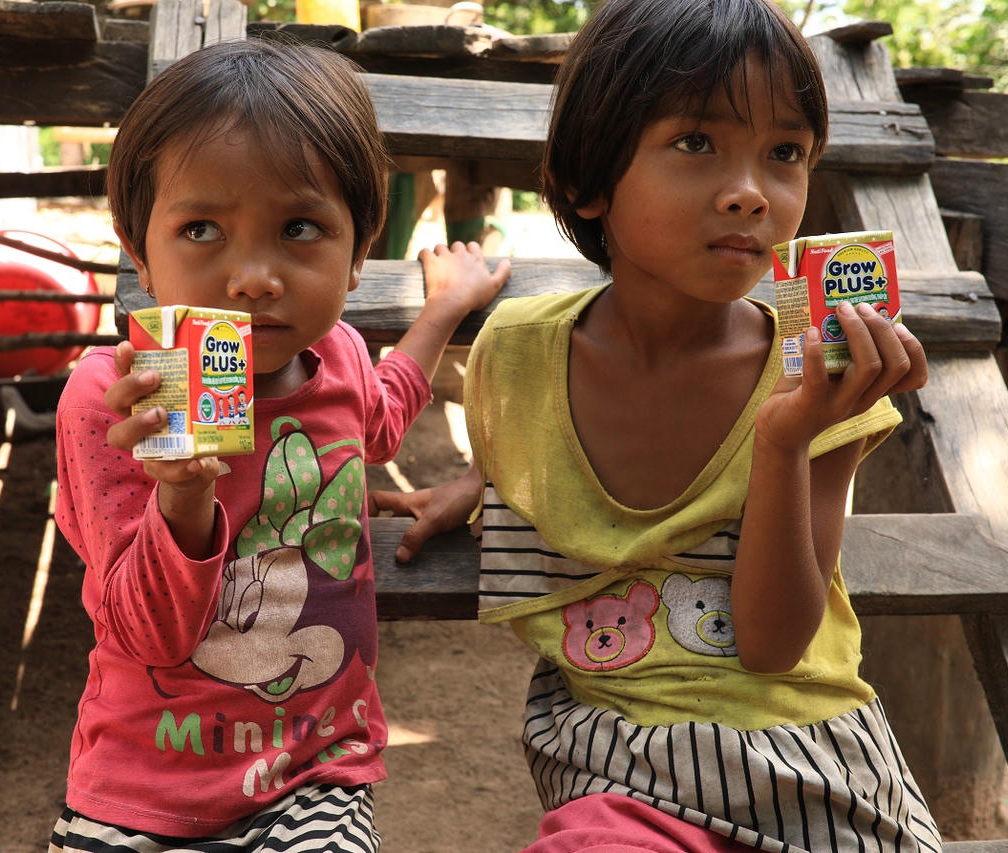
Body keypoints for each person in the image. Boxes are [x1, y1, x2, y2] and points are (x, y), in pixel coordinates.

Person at [369, 0, 941, 850]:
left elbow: (773, 645)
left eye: (785, 153)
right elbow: (534, 445)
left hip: (814, 761)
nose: (751, 191)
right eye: (697, 142)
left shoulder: (813, 375)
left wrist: (785, 439)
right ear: (586, 179)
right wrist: (482, 483)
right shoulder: (516, 355)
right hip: (619, 767)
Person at [50, 39, 509, 853]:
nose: (254, 276)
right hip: (139, 781)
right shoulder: (113, 399)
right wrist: (181, 494)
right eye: (201, 228)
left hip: (311, 772)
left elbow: (380, 416)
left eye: (300, 227)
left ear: (360, 249)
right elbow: (147, 635)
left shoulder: (339, 356)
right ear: (137, 249)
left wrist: (442, 310)